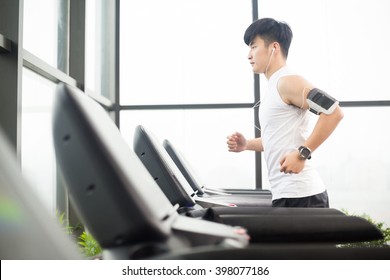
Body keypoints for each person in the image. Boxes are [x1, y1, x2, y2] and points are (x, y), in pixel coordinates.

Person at [227, 18, 344, 208]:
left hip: (302, 195)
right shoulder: (274, 86)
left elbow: (334, 112)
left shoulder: (288, 81)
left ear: (274, 47)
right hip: (288, 193)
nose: (249, 55)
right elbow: (278, 139)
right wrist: (247, 144)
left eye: (254, 47)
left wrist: (302, 154)